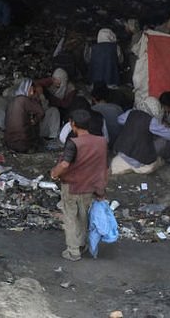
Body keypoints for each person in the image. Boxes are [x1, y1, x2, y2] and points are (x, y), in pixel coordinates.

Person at [49, 109, 108, 262]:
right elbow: (104, 167)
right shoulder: (101, 142)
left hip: (72, 187)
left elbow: (65, 164)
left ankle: (73, 251)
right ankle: (82, 245)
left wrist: (54, 173)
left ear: (72, 124)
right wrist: (101, 189)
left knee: (70, 218)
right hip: (90, 187)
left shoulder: (73, 143)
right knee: (83, 217)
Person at [110, 97, 170, 174]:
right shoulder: (151, 121)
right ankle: (166, 158)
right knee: (163, 140)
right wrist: (167, 128)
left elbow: (119, 120)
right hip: (140, 160)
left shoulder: (130, 113)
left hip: (123, 153)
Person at [3, 78, 44, 153]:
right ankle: (32, 146)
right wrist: (34, 121)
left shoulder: (13, 100)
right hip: (22, 144)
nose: (32, 93)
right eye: (32, 90)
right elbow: (41, 112)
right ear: (29, 89)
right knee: (35, 124)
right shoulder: (24, 100)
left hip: (8, 143)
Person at [90, 83, 124, 147]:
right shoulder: (117, 108)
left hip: (103, 144)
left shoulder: (93, 110)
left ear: (93, 98)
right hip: (118, 143)